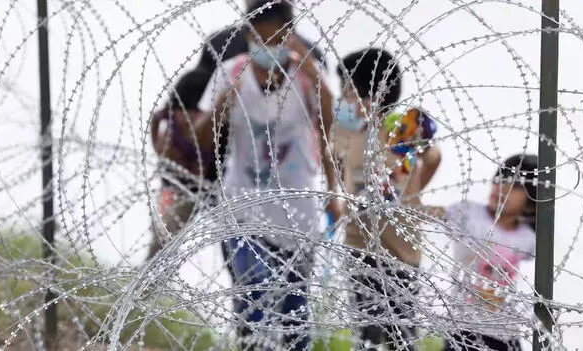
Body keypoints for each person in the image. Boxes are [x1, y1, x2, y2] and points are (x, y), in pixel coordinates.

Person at [192, 1, 344, 350]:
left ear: (289, 36)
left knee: (295, 310)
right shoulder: (231, 73)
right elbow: (199, 135)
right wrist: (220, 110)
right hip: (242, 209)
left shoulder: (307, 79)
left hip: (296, 213)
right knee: (252, 299)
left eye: (276, 37)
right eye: (259, 38)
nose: (267, 45)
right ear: (248, 36)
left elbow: (328, 127)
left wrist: (334, 192)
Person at [333, 48, 441, 350]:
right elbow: (338, 166)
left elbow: (433, 156)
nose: (343, 99)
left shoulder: (403, 126)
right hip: (359, 245)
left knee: (402, 337)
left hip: (401, 251)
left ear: (371, 94)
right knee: (366, 337)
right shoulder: (348, 131)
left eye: (347, 91)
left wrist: (411, 193)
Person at [412, 154, 538, 351]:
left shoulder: (527, 238)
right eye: (500, 179)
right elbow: (424, 213)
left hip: (505, 333)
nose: (502, 188)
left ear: (530, 203)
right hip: (463, 328)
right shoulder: (468, 213)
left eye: (515, 186)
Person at [147, 67, 229, 260]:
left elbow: (158, 117)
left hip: (197, 183)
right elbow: (159, 117)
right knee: (162, 244)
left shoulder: (207, 87)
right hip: (182, 186)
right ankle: (144, 284)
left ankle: (144, 283)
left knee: (161, 245)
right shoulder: (206, 87)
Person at [198, 0, 326, 74]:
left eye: (278, 41)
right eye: (262, 40)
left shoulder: (309, 55)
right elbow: (196, 94)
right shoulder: (219, 46)